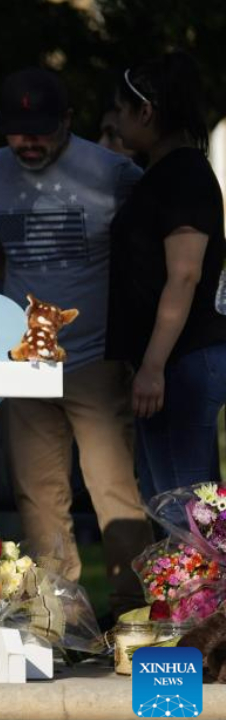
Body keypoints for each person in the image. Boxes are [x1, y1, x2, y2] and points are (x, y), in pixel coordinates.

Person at [0, 67, 151, 617]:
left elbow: (149, 253)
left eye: (42, 130)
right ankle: (58, 622)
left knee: (115, 494)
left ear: (69, 122)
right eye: (17, 131)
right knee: (38, 496)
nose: (28, 142)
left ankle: (134, 616)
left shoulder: (114, 173)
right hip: (22, 359)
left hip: (95, 359)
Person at [107, 52, 226, 497]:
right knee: (169, 503)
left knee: (186, 512)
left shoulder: (184, 176)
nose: (114, 121)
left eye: (120, 109)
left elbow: (184, 275)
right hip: (170, 362)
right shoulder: (162, 173)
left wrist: (154, 366)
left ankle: (207, 573)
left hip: (183, 362)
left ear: (146, 110)